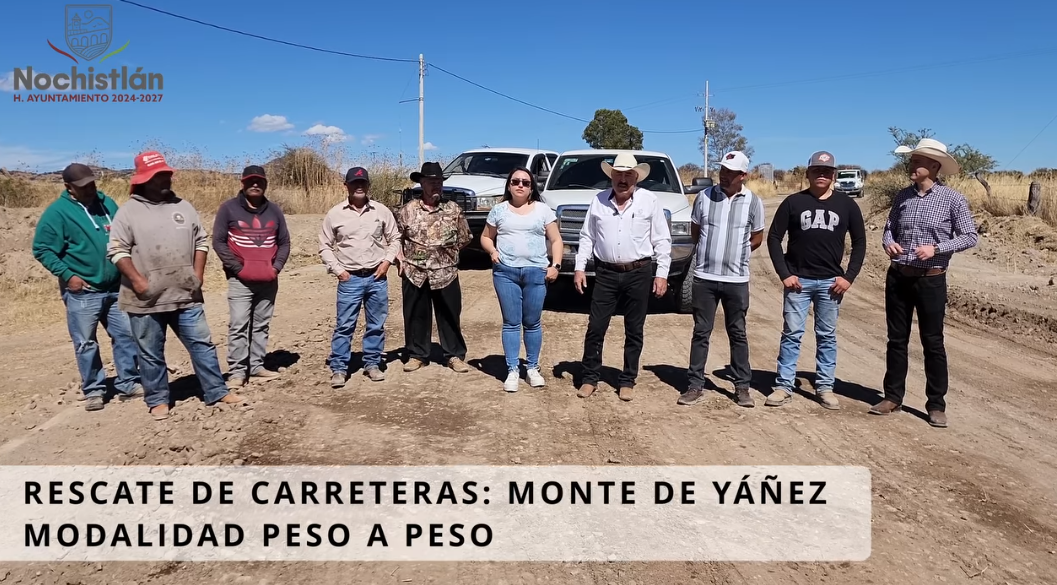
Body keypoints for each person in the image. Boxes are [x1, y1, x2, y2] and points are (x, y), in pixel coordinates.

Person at [107, 151, 242, 421]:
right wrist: (138, 281)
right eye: (159, 176)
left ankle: (216, 391)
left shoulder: (183, 206)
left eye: (167, 174)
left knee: (202, 345)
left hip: (186, 295)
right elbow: (116, 250)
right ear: (144, 179)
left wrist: (198, 275)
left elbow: (201, 241)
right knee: (150, 352)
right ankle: (157, 399)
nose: (166, 179)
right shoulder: (128, 212)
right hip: (145, 300)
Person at [874, 138, 979, 428]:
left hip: (931, 280)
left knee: (932, 342)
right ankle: (892, 397)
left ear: (934, 166)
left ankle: (936, 405)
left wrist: (937, 249)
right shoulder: (901, 197)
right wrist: (889, 244)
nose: (911, 165)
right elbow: (889, 229)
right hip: (898, 276)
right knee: (896, 340)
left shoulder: (953, 199)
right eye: (912, 160)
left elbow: (970, 236)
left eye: (917, 161)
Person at [31, 163, 143, 412]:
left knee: (125, 335)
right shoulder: (57, 213)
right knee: (86, 342)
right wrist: (68, 275)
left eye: (92, 183)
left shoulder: (108, 204)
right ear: (68, 187)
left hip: (116, 287)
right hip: (84, 291)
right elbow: (42, 248)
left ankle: (129, 383)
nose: (90, 189)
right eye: (83, 186)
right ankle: (94, 389)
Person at [765, 151, 867, 410]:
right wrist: (784, 273)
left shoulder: (847, 205)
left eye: (827, 171)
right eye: (816, 171)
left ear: (833, 175)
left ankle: (824, 387)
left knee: (827, 336)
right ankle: (783, 385)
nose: (822, 175)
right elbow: (774, 238)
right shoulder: (793, 203)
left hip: (831, 283)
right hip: (798, 282)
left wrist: (848, 277)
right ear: (808, 173)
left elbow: (860, 243)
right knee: (792, 334)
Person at [574, 153, 672, 402]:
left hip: (639, 272)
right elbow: (587, 237)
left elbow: (662, 240)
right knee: (596, 327)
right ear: (611, 176)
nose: (623, 179)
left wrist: (661, 274)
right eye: (618, 174)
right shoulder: (598, 201)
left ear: (636, 177)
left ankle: (627, 379)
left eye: (629, 175)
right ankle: (589, 378)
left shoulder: (649, 201)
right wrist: (579, 267)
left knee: (634, 329)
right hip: (605, 273)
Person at [678, 151, 764, 408]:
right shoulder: (704, 198)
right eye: (723, 170)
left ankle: (742, 387)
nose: (724, 175)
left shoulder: (754, 202)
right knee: (701, 332)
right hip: (704, 277)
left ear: (743, 175)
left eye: (731, 172)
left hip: (737, 280)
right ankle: (694, 385)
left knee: (737, 332)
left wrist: (739, 254)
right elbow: (696, 232)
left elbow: (757, 237)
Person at [479, 166, 562, 392]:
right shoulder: (499, 210)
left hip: (536, 272)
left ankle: (532, 367)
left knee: (532, 322)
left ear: (531, 187)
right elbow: (486, 237)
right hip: (506, 272)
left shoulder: (543, 210)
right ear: (509, 185)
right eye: (515, 181)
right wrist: (492, 251)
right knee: (511, 322)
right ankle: (513, 369)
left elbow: (556, 240)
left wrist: (555, 265)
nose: (520, 186)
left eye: (525, 182)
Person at [320, 166, 401, 387]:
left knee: (376, 324)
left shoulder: (381, 211)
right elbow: (325, 246)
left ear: (368, 186)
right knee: (345, 325)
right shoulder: (335, 214)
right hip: (350, 279)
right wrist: (339, 271)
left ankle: (372, 364)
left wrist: (387, 262)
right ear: (346, 186)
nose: (359, 187)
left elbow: (395, 238)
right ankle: (339, 368)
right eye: (354, 183)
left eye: (362, 183)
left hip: (377, 277)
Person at [212, 165, 291, 390]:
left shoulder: (274, 211)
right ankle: (237, 371)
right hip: (240, 281)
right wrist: (237, 269)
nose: (255, 185)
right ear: (243, 183)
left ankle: (256, 366)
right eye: (250, 181)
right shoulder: (228, 209)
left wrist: (275, 268)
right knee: (238, 325)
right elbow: (218, 241)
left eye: (259, 181)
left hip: (268, 280)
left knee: (261, 325)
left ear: (265, 184)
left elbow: (284, 242)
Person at [395, 162, 473, 373]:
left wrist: (446, 254)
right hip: (415, 272)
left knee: (450, 314)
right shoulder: (407, 210)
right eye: (431, 182)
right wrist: (400, 259)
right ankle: (417, 354)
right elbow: (395, 239)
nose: (435, 186)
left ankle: (455, 355)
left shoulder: (453, 210)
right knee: (416, 315)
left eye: (438, 182)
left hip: (446, 272)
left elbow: (465, 238)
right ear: (421, 183)